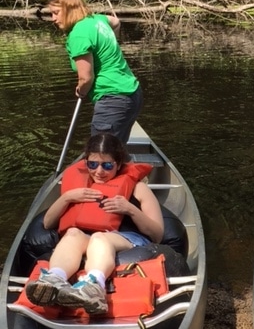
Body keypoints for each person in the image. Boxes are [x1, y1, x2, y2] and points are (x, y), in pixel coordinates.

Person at [26, 133, 164, 315]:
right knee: (73, 233)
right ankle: (54, 280)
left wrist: (130, 209)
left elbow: (158, 233)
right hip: (85, 237)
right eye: (92, 164)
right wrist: (67, 197)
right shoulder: (77, 185)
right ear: (85, 163)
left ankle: (93, 286)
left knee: (99, 238)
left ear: (119, 165)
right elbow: (48, 222)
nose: (99, 171)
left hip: (127, 239)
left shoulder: (138, 188)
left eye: (107, 166)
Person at [48, 0, 143, 144]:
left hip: (112, 99)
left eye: (56, 13)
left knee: (100, 154)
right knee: (115, 151)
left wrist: (81, 90)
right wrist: (107, 46)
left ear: (69, 9)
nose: (52, 18)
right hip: (133, 94)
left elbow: (86, 78)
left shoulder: (78, 34)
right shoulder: (96, 20)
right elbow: (116, 22)